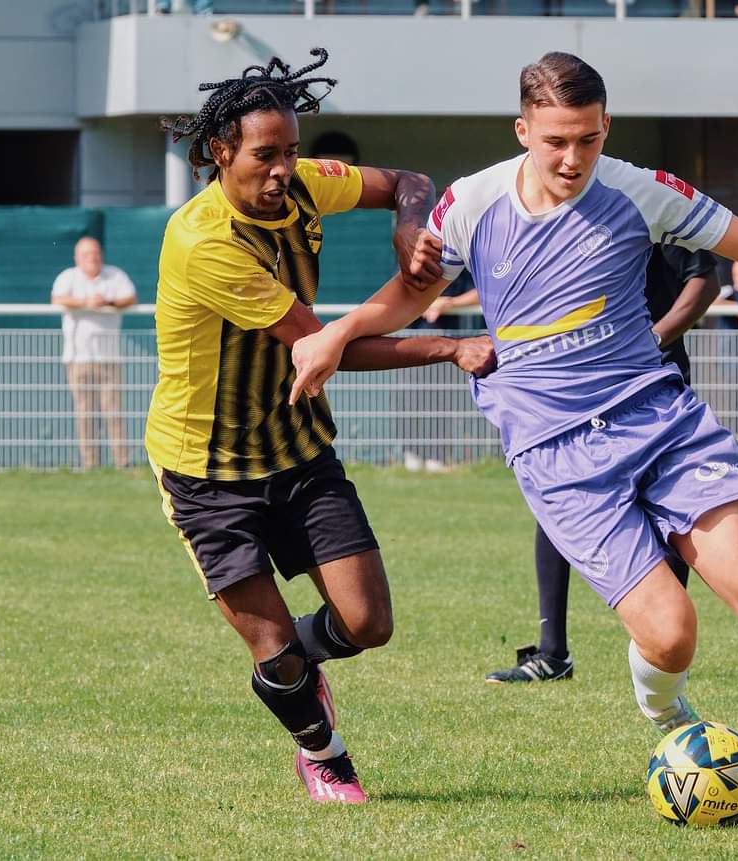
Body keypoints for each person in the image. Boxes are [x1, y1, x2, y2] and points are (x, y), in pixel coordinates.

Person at [288, 51, 738, 815]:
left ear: (606, 128)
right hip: (556, 453)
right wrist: (339, 331)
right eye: (556, 140)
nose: (572, 158)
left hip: (659, 419)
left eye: (588, 139)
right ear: (524, 129)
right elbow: (407, 295)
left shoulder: (638, 191)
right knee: (672, 634)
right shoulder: (471, 203)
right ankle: (666, 714)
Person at [146, 48, 494, 806]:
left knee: (368, 622)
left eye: (292, 153)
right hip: (206, 470)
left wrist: (408, 226)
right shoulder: (207, 240)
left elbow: (412, 182)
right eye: (266, 156)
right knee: (273, 644)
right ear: (220, 153)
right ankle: (324, 752)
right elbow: (322, 347)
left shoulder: (302, 186)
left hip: (296, 448)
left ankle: (285, 672)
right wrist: (452, 346)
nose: (283, 171)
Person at [485, 244, 721, 683]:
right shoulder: (570, 217)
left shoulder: (664, 209)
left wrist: (653, 338)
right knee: (560, 499)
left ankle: (662, 652)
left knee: (670, 508)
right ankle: (552, 652)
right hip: (585, 388)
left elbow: (706, 281)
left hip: (655, 386)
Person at [51, 236, 137, 469]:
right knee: (85, 414)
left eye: (96, 253)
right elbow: (58, 298)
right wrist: (86, 302)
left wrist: (107, 302)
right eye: (87, 254)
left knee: (114, 412)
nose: (93, 258)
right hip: (78, 358)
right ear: (77, 257)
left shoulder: (115, 275)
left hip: (109, 357)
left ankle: (122, 463)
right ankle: (91, 465)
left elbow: (130, 297)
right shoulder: (68, 277)